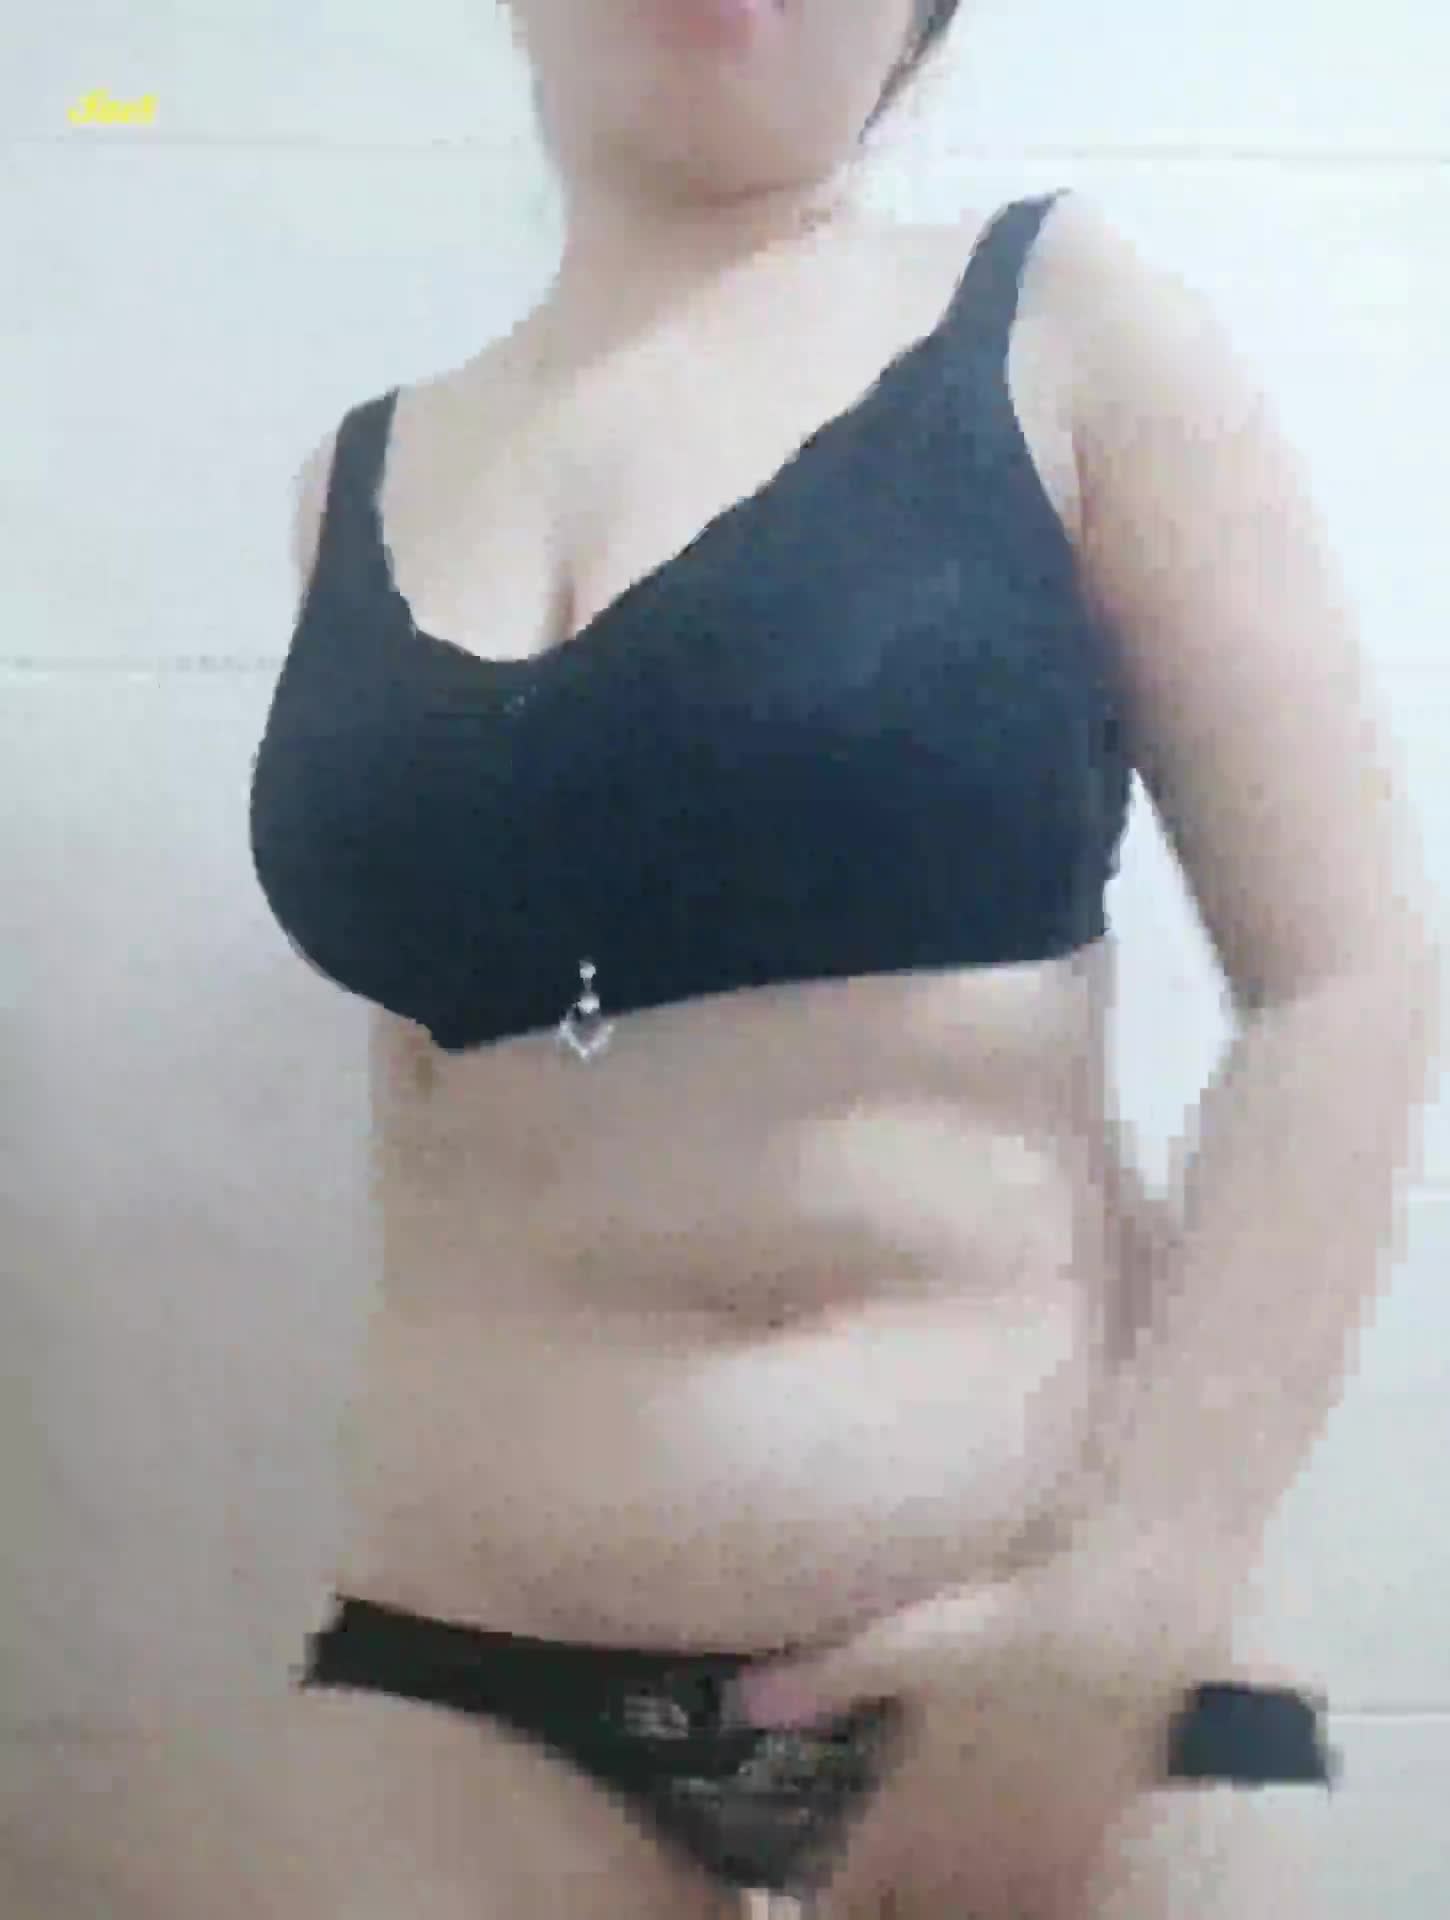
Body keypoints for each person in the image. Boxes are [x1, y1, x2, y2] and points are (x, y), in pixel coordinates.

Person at [244, 2, 1440, 1915]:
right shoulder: (354, 477)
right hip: (462, 1664)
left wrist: (1141, 1589)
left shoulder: (1059, 322)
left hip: (1030, 1641)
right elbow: (443, 1106)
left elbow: (1347, 981)